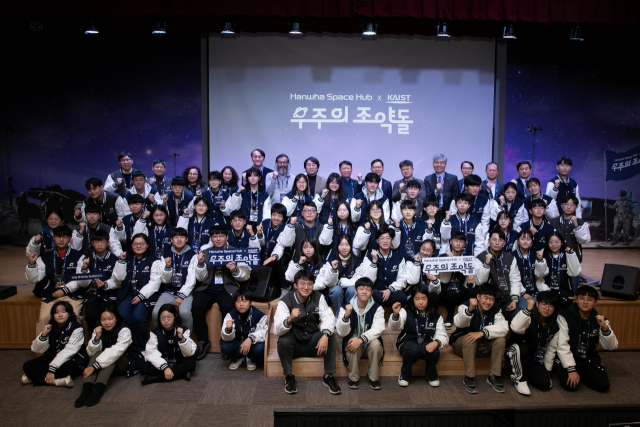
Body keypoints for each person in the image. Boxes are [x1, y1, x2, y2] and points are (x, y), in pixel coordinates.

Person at [273, 270, 340, 395]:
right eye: (302, 284)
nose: (306, 287)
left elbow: (328, 317)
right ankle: (289, 376)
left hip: (312, 343)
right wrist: (289, 319)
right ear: (295, 285)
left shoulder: (318, 297)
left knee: (329, 334)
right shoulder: (285, 301)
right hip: (294, 346)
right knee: (283, 340)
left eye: (309, 284)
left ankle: (328, 376)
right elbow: (277, 330)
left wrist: (325, 335)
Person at [190, 225, 252, 359]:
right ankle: (203, 340)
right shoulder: (205, 252)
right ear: (211, 238)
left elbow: (246, 275)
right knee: (196, 305)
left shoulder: (236, 251)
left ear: (227, 237)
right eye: (215, 236)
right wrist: (200, 264)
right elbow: (200, 278)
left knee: (228, 306)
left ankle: (226, 341)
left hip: (227, 288)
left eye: (221, 236)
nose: (218, 239)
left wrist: (235, 270)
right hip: (207, 287)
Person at [74, 306, 143, 408]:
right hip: (106, 362)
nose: (107, 322)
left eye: (110, 319)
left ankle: (98, 389)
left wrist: (93, 367)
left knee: (111, 356)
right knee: (100, 353)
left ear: (116, 318)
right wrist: (96, 339)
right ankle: (86, 389)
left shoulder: (124, 329)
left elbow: (116, 351)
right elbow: (91, 353)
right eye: (103, 319)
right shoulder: (99, 330)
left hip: (126, 360)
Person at [26, 225, 89, 335]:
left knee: (75, 316)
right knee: (44, 318)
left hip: (72, 295)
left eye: (64, 237)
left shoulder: (79, 256)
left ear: (70, 238)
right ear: (53, 238)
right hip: (52, 294)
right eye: (58, 236)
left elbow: (81, 280)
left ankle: (75, 347)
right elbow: (34, 278)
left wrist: (65, 290)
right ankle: (41, 349)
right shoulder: (45, 257)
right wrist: (31, 264)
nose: (61, 239)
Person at [554, 285, 618, 393]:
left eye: (589, 300)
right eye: (582, 298)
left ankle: (581, 373)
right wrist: (571, 369)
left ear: (595, 303)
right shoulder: (564, 316)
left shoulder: (600, 320)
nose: (585, 302)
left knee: (603, 386)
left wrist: (604, 327)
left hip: (588, 357)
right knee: (569, 386)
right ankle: (569, 370)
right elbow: (562, 345)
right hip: (570, 355)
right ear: (576, 299)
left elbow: (611, 346)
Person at [450, 284, 509, 394]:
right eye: (485, 298)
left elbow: (504, 328)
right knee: (470, 339)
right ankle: (469, 377)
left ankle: (494, 376)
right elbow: (458, 323)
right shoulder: (466, 305)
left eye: (491, 299)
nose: (488, 302)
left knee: (500, 340)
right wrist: (469, 310)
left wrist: (482, 333)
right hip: (462, 345)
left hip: (483, 343)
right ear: (478, 297)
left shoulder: (496, 309)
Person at [389, 283, 448, 387]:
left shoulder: (435, 315)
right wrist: (396, 315)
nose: (421, 302)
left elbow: (442, 334)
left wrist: (436, 342)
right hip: (408, 342)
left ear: (428, 299)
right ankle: (405, 375)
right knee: (412, 349)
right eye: (417, 299)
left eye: (424, 298)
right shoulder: (405, 311)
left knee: (433, 351)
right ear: (412, 299)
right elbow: (394, 328)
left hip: (427, 342)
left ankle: (431, 375)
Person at [116, 233, 168, 351]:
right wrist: (121, 261)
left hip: (147, 295)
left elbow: (155, 282)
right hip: (129, 292)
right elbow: (118, 277)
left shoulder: (154, 259)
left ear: (147, 245)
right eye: (135, 244)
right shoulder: (126, 257)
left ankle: (142, 348)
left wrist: (141, 296)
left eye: (142, 244)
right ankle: (127, 346)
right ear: (131, 245)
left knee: (138, 317)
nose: (138, 246)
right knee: (124, 315)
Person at [22, 301, 88, 388]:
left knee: (65, 369)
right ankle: (57, 381)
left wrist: (52, 370)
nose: (60, 315)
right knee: (27, 365)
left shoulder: (77, 328)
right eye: (56, 312)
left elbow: (69, 351)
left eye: (63, 312)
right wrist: (44, 335)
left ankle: (35, 378)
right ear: (53, 315)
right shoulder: (51, 326)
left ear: (70, 314)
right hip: (54, 358)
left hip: (74, 359)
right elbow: (37, 349)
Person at [506, 291, 561, 395]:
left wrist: (547, 370)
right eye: (544, 304)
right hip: (515, 351)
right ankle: (520, 380)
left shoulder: (554, 325)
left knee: (545, 384)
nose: (547, 308)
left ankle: (526, 372)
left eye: (551, 305)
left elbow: (551, 348)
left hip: (534, 357)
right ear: (537, 304)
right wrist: (527, 310)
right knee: (522, 348)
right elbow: (515, 328)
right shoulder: (528, 315)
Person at [350, 228, 420, 307]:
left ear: (391, 240)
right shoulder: (369, 257)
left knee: (400, 295)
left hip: (393, 292)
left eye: (388, 238)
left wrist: (389, 290)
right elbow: (368, 280)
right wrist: (374, 262)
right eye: (382, 238)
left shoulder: (399, 258)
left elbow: (402, 279)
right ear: (377, 241)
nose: (385, 241)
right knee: (375, 295)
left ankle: (395, 317)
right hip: (376, 292)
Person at [336, 277, 385, 390]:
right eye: (361, 289)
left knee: (376, 344)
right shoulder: (345, 308)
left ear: (371, 293)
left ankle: (373, 377)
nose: (364, 292)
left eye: (368, 289)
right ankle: (353, 377)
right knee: (351, 343)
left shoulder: (378, 308)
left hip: (369, 345)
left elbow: (378, 328)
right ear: (355, 291)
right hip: (353, 346)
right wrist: (346, 317)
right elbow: (341, 333)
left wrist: (361, 339)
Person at [151, 227, 198, 330]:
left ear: (186, 239)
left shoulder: (193, 255)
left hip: (187, 293)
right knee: (155, 313)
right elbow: (164, 280)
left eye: (182, 237)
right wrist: (167, 267)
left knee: (185, 313)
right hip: (169, 292)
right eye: (176, 237)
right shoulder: (166, 255)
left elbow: (191, 279)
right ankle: (161, 337)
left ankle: (186, 340)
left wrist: (181, 296)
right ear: (171, 240)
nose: (179, 239)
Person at [474, 229, 524, 321]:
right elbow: (480, 281)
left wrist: (514, 300)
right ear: (489, 241)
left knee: (519, 319)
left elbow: (515, 279)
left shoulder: (510, 258)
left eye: (500, 240)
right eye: (494, 240)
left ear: (504, 243)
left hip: (507, 299)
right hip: (490, 301)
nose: (497, 243)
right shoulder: (480, 258)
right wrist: (486, 264)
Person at [81, 230, 128, 329]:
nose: (99, 244)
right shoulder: (86, 258)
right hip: (92, 295)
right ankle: (96, 339)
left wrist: (105, 285)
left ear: (108, 243)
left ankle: (109, 341)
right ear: (92, 243)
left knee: (108, 315)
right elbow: (82, 283)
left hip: (109, 295)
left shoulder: (114, 259)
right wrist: (84, 269)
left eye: (102, 242)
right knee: (90, 316)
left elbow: (118, 281)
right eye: (96, 242)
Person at [141, 304, 197, 385]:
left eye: (169, 317)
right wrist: (165, 367)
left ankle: (154, 379)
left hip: (178, 360)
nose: (166, 320)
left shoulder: (183, 330)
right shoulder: (155, 332)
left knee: (191, 363)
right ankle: (181, 374)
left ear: (175, 316)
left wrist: (182, 339)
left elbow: (189, 352)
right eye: (162, 318)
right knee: (144, 368)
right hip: (162, 361)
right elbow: (151, 352)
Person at [549, 196, 591, 293]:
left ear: (576, 207)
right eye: (566, 204)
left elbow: (584, 240)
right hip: (556, 255)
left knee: (573, 276)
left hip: (574, 255)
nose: (568, 207)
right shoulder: (553, 222)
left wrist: (576, 225)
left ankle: (574, 295)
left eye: (572, 205)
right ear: (561, 205)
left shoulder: (581, 223)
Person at [220, 289, 268, 370]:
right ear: (234, 303)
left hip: (252, 344)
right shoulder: (230, 315)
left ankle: (251, 359)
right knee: (225, 346)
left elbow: (263, 333)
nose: (241, 304)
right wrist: (228, 330)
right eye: (238, 301)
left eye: (244, 301)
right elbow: (224, 337)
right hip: (238, 344)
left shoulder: (260, 315)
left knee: (261, 347)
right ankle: (238, 358)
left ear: (250, 302)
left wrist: (250, 339)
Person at [437, 232, 477, 329]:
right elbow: (442, 279)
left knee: (473, 291)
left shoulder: (466, 259)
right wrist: (449, 261)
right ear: (451, 242)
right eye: (456, 240)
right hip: (445, 291)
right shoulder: (442, 257)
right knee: (450, 293)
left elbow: (466, 283)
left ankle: (468, 317)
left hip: (459, 290)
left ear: (464, 244)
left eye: (461, 241)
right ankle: (449, 317)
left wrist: (469, 283)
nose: (458, 244)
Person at [250, 203, 290, 297]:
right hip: (264, 253)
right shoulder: (265, 223)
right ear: (271, 215)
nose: (276, 218)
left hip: (279, 255)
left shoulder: (285, 228)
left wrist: (273, 257)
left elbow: (281, 245)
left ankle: (285, 288)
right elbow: (261, 243)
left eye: (279, 216)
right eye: (274, 215)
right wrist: (259, 235)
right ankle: (254, 288)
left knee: (279, 261)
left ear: (283, 218)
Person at [542, 232, 582, 310]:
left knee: (568, 313)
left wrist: (571, 255)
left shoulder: (567, 255)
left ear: (562, 243)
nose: (554, 244)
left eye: (557, 242)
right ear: (547, 243)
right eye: (551, 242)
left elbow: (575, 272)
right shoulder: (543, 256)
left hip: (565, 291)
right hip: (548, 291)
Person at [326, 235, 363, 309]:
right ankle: (339, 315)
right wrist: (333, 269)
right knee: (336, 290)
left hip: (351, 292)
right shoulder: (331, 260)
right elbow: (328, 282)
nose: (344, 248)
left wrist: (340, 283)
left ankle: (350, 315)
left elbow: (359, 280)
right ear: (337, 246)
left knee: (352, 289)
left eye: (347, 245)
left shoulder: (357, 261)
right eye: (341, 245)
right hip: (336, 294)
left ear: (351, 246)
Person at [511, 229, 548, 302]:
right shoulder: (512, 256)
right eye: (523, 239)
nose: (525, 242)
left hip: (535, 290)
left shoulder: (536, 254)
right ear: (518, 240)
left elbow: (541, 274)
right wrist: (522, 293)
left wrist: (540, 260)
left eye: (528, 239)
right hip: (519, 291)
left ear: (531, 241)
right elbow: (513, 278)